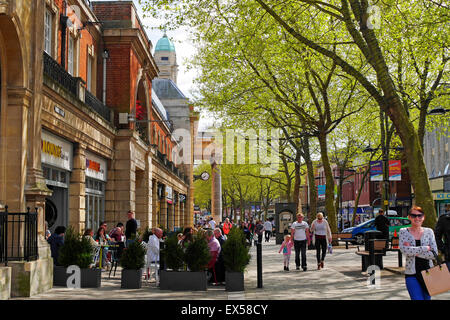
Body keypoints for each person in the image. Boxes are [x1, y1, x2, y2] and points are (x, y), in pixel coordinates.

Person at [399, 206, 438, 300]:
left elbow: (434, 253)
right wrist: (425, 248)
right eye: (413, 215)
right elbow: (404, 250)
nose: (417, 218)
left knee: (427, 298)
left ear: (423, 217)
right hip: (412, 274)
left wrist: (413, 251)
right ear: (409, 217)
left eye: (419, 216)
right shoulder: (403, 231)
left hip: (428, 273)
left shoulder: (429, 232)